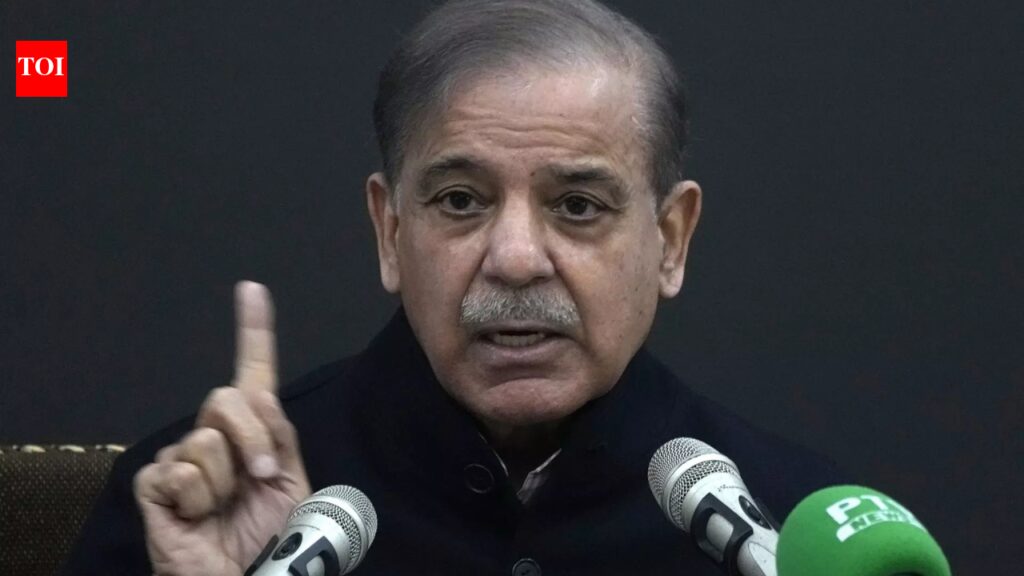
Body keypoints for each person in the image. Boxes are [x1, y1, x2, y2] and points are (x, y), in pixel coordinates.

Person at [63, 0, 844, 574]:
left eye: (577, 206)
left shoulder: (802, 533)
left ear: (669, 240)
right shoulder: (187, 514)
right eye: (461, 201)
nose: (515, 259)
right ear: (390, 231)